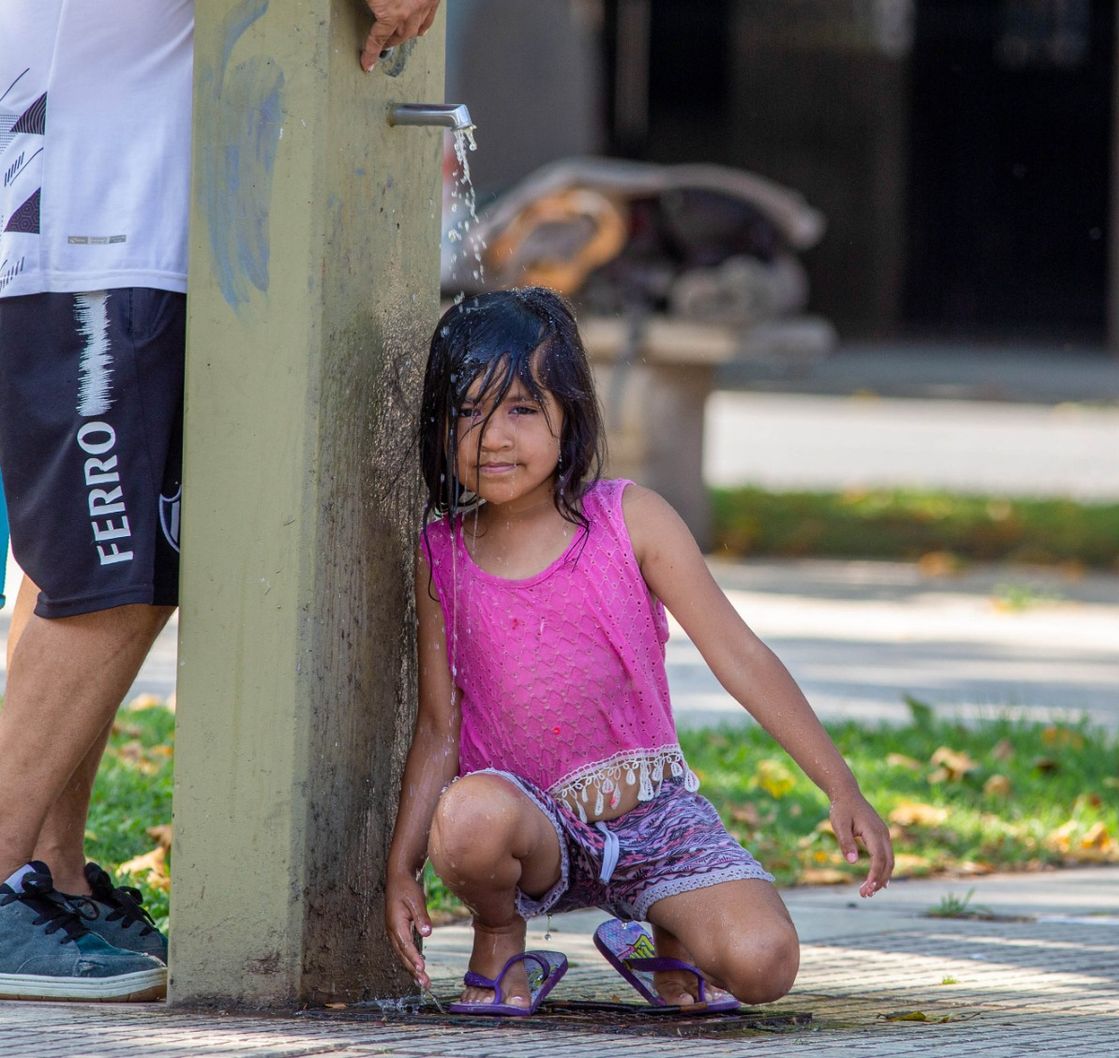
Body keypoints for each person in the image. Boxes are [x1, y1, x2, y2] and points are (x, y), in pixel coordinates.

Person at [0, 0, 442, 1003]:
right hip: (83, 224)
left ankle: (46, 875)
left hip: (109, 228)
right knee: (111, 575)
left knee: (96, 564)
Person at [384, 288, 893, 1015]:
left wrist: (841, 786)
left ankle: (667, 934)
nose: (491, 438)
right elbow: (439, 726)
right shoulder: (442, 555)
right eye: (467, 412)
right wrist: (401, 868)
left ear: (571, 414)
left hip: (655, 819)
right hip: (533, 829)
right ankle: (500, 938)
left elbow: (739, 655)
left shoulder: (632, 521)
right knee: (468, 820)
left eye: (522, 410)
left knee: (764, 965)